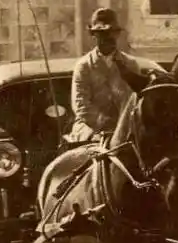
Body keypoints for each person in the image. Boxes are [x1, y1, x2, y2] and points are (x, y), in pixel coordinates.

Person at [67, 8, 159, 146]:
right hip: (90, 128)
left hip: (126, 128)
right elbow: (81, 105)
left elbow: (137, 98)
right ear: (94, 35)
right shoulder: (84, 66)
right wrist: (104, 122)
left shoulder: (130, 64)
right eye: (102, 34)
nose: (108, 38)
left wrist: (123, 125)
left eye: (112, 33)